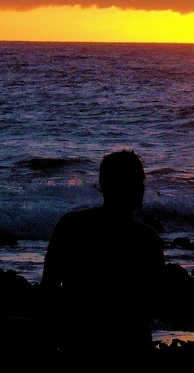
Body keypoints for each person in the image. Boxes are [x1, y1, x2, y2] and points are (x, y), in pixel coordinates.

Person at [41, 150, 165, 351]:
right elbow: (158, 300)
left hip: (78, 342)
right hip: (129, 346)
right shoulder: (145, 238)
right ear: (122, 185)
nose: (143, 188)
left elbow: (49, 289)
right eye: (138, 181)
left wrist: (50, 338)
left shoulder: (70, 225)